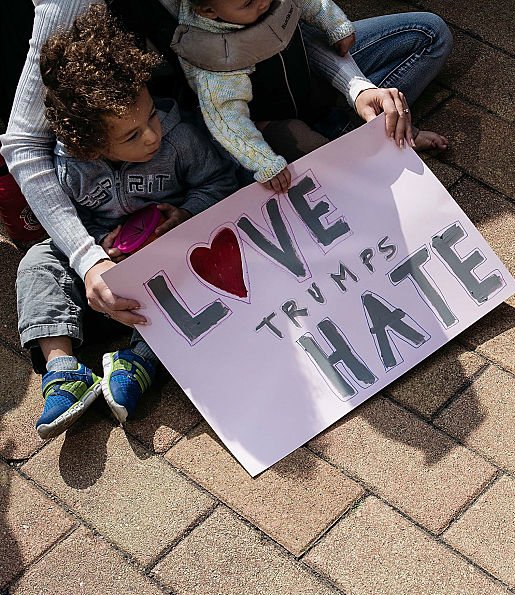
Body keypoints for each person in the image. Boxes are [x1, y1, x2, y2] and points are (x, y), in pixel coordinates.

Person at [2, 0, 451, 342]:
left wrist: (356, 86)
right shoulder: (71, 7)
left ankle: (329, 138)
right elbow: (23, 145)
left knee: (423, 34)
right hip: (184, 137)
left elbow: (281, 31)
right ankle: (304, 147)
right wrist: (88, 259)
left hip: (240, 99)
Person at [18, 4, 237, 438]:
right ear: (89, 146)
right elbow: (66, 224)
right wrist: (97, 248)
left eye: (151, 115)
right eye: (132, 136)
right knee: (36, 264)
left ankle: (141, 360)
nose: (152, 134)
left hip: (169, 254)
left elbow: (222, 181)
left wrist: (187, 213)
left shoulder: (179, 140)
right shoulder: (69, 168)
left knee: (197, 270)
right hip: (103, 269)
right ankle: (63, 369)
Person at [174, 0, 448, 193]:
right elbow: (228, 122)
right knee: (316, 158)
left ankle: (373, 127)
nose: (263, 3)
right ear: (208, 11)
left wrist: (336, 26)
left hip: (309, 82)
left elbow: (311, 5)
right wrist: (264, 162)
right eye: (247, 3)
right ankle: (381, 140)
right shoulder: (213, 60)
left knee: (430, 34)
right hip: (269, 124)